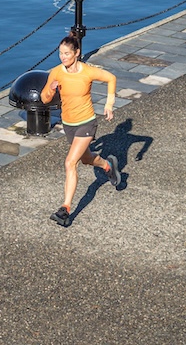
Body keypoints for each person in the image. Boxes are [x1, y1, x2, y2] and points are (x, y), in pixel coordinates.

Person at [39, 34, 121, 227]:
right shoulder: (57, 72)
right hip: (69, 123)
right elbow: (44, 99)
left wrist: (109, 104)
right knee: (85, 159)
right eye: (60, 53)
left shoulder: (88, 71)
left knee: (70, 162)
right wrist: (51, 89)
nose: (63, 57)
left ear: (77, 53)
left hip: (87, 122)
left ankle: (65, 209)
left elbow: (111, 78)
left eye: (67, 53)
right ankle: (108, 166)